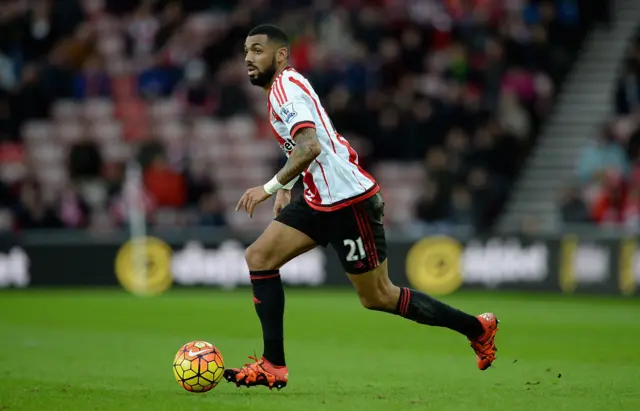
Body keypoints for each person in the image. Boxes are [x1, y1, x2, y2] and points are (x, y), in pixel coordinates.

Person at [224, 24, 499, 391]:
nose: (248, 58)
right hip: (320, 198)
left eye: (257, 50)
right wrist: (287, 188)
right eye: (246, 52)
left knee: (378, 297)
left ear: (280, 55)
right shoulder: (284, 87)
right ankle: (273, 365)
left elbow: (310, 148)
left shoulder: (285, 89)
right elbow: (306, 145)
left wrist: (269, 186)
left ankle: (477, 328)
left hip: (350, 202)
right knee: (259, 257)